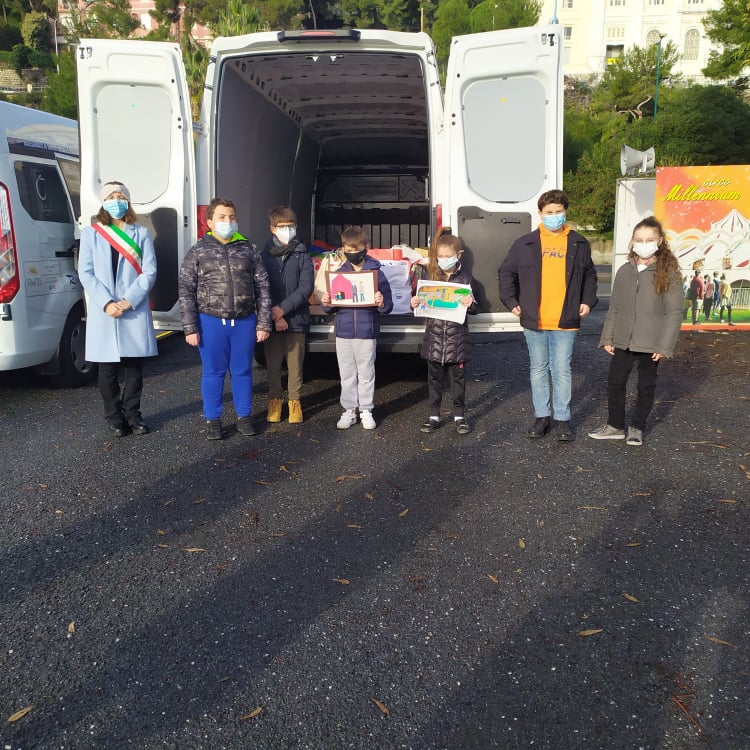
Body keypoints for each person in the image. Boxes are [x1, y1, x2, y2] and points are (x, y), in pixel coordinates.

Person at [498, 189, 598, 442]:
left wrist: (588, 300)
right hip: (535, 320)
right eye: (549, 212)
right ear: (540, 214)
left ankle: (562, 419)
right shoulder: (524, 244)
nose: (554, 216)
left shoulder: (579, 243)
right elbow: (506, 273)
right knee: (538, 369)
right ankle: (542, 417)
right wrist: (511, 302)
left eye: (559, 211)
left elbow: (589, 275)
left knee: (562, 370)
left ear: (566, 212)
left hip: (566, 319)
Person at [179, 198, 272, 440]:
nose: (227, 221)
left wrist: (263, 322)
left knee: (242, 370)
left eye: (231, 217)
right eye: (221, 217)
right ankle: (213, 419)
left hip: (244, 320)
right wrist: (190, 327)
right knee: (213, 372)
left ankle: (244, 416)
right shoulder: (198, 251)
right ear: (210, 222)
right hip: (210, 321)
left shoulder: (248, 249)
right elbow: (186, 290)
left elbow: (262, 287)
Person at [588, 216, 683, 446]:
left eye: (649, 239)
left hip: (652, 341)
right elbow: (615, 307)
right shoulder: (624, 271)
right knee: (615, 381)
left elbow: (674, 311)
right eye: (639, 239)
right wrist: (608, 337)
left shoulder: (668, 272)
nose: (644, 244)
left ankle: (637, 427)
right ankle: (615, 426)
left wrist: (664, 346)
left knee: (646, 385)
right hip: (623, 339)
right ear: (632, 241)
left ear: (660, 241)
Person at [78, 180, 157, 437]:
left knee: (134, 367)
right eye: (111, 197)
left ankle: (133, 414)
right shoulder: (91, 233)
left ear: (127, 200)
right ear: (103, 202)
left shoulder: (141, 233)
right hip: (105, 310)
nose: (116, 201)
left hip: (132, 307)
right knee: (107, 368)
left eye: (120, 196)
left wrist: (129, 300)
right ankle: (114, 417)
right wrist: (106, 303)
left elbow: (149, 271)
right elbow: (86, 273)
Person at [320, 226, 393, 430]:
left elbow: (388, 305)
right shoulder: (339, 274)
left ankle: (366, 410)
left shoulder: (376, 273)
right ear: (343, 249)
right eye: (348, 249)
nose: (352, 253)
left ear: (365, 247)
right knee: (347, 374)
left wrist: (381, 302)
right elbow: (330, 306)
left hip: (366, 332)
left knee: (366, 373)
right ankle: (349, 410)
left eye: (356, 249)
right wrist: (326, 302)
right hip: (343, 332)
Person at [410, 231, 478, 434]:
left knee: (458, 380)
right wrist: (414, 302)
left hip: (457, 339)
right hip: (434, 338)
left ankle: (459, 416)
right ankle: (434, 415)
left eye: (447, 256)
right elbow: (418, 302)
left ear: (458, 255)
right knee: (434, 379)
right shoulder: (430, 276)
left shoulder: (466, 278)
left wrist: (470, 303)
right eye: (440, 256)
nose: (443, 259)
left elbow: (475, 308)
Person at [260, 206, 314, 424]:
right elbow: (261, 287)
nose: (287, 230)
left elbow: (306, 288)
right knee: (273, 364)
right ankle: (275, 400)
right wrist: (275, 313)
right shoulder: (263, 257)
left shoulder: (303, 255)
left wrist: (283, 310)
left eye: (290, 226)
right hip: (271, 319)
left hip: (296, 318)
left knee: (295, 365)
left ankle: (294, 401)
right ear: (272, 228)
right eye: (282, 226)